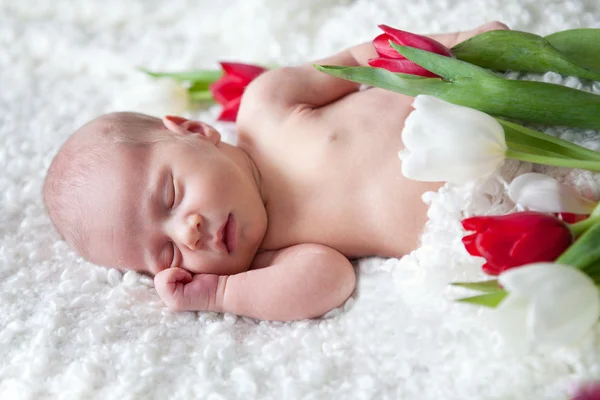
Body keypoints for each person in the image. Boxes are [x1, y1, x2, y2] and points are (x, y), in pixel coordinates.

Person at [43, 21, 509, 321]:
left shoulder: (267, 105)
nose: (189, 234)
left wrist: (456, 47)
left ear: (192, 128)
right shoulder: (270, 254)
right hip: (508, 201)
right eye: (166, 255)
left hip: (486, 105)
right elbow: (331, 281)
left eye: (170, 196)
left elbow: (356, 61)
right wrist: (220, 292)